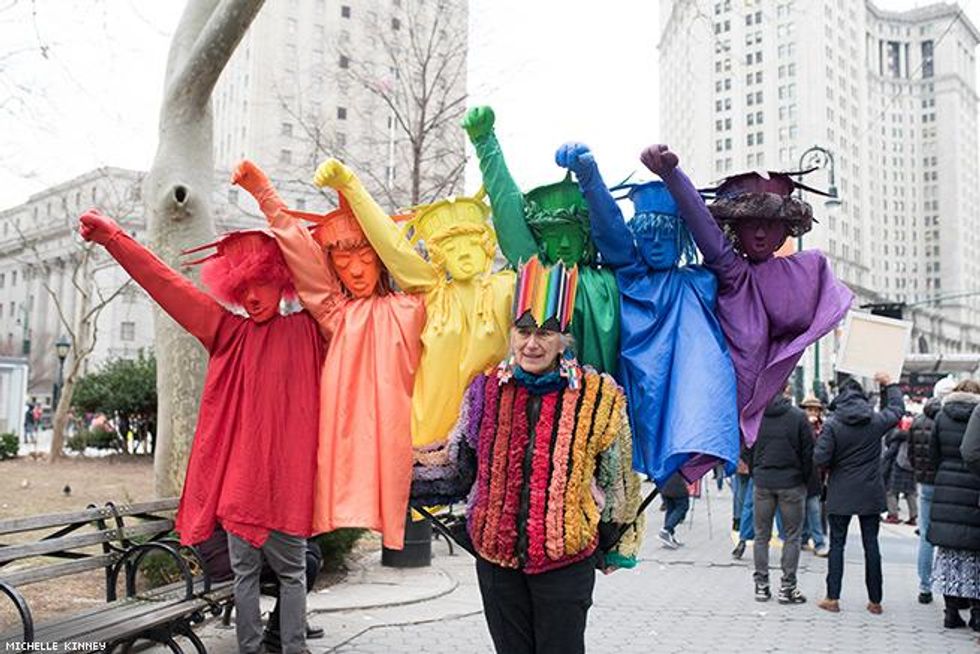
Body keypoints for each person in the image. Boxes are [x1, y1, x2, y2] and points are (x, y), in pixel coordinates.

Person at [79, 209, 322, 654]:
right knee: (271, 576)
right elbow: (169, 285)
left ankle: (286, 648)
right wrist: (115, 239)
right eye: (243, 288)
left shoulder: (310, 329)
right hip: (250, 493)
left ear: (282, 280)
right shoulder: (235, 333)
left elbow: (336, 289)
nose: (251, 297)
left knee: (283, 575)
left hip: (281, 489)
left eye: (261, 284)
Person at [413, 258, 644, 654]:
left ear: (563, 339)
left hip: (565, 562)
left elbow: (620, 482)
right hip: (496, 562)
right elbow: (458, 467)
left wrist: (613, 543)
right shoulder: (484, 391)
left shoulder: (599, 395)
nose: (532, 344)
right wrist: (398, 476)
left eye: (545, 333)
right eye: (523, 331)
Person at [232, 160, 426, 550]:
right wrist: (264, 195)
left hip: (409, 444)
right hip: (350, 449)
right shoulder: (336, 313)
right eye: (342, 260)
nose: (355, 270)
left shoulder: (412, 306)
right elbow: (303, 256)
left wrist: (352, 189)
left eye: (366, 257)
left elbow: (412, 268)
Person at [639, 144, 853, 447]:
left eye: (770, 226)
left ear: (784, 232)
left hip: (746, 404)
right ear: (736, 230)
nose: (761, 234)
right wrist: (672, 175)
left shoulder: (803, 273)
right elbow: (703, 226)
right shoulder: (733, 272)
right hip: (714, 397)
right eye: (752, 225)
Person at [552, 141, 738, 485]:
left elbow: (709, 235)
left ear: (681, 237)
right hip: (634, 393)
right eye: (646, 233)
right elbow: (611, 230)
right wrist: (589, 178)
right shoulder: (630, 277)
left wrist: (673, 177)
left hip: (684, 397)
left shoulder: (699, 282)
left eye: (665, 235)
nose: (654, 243)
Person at [463, 107, 620, 374]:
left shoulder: (607, 282)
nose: (565, 246)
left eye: (572, 236)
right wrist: (485, 143)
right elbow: (509, 210)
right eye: (555, 236)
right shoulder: (539, 274)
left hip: (598, 404)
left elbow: (613, 229)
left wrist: (590, 178)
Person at [815, 374, 904, 615]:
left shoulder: (833, 424)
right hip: (869, 492)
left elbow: (820, 458)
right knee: (871, 545)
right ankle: (875, 601)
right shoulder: (874, 421)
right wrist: (890, 385)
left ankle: (832, 598)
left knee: (837, 545)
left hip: (840, 492)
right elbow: (897, 410)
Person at [197, 525, 325, 652]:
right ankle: (292, 646)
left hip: (236, 515)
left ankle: (251, 648)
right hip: (272, 515)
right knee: (294, 574)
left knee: (246, 577)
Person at [749, 386, 813, 604]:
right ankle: (787, 587)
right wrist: (806, 481)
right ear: (787, 389)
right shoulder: (798, 417)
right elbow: (808, 453)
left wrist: (755, 470)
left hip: (763, 481)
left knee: (761, 536)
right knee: (792, 536)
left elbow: (747, 447)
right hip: (791, 482)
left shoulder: (757, 416)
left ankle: (761, 585)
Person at [927, 379, 980, 631]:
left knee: (949, 554)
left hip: (946, 485)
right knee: (975, 553)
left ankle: (950, 613)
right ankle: (977, 614)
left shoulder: (941, 416)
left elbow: (932, 454)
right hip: (974, 486)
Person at [800, 395, 828, 557]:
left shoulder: (823, 428)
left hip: (816, 475)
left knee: (814, 510)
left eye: (815, 410)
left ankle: (818, 542)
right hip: (801, 474)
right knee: (803, 510)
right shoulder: (799, 425)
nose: (812, 413)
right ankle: (804, 538)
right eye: (809, 409)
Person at [882, 419, 917, 525]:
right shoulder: (914, 436)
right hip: (911, 466)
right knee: (910, 492)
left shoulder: (898, 436)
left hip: (899, 465)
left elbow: (891, 451)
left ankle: (893, 515)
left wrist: (883, 460)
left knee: (891, 492)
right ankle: (914, 516)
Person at [660, 473, 691, 549]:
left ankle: (668, 536)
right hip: (677, 486)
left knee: (671, 510)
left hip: (664, 485)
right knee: (682, 507)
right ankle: (667, 529)